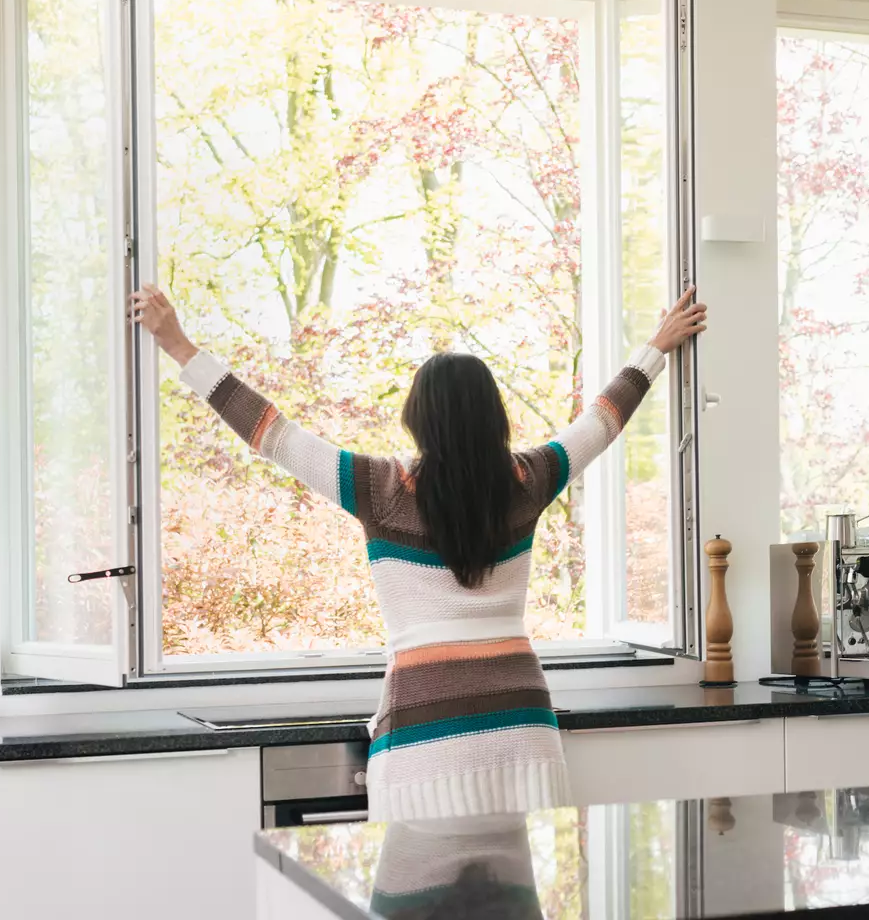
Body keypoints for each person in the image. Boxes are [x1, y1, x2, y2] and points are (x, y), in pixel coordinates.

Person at [133, 283, 708, 821]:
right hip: (524, 725)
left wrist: (179, 346)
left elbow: (271, 433)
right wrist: (654, 348)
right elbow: (603, 420)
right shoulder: (529, 479)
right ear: (493, 416)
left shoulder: (378, 488)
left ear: (418, 417)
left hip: (426, 736)